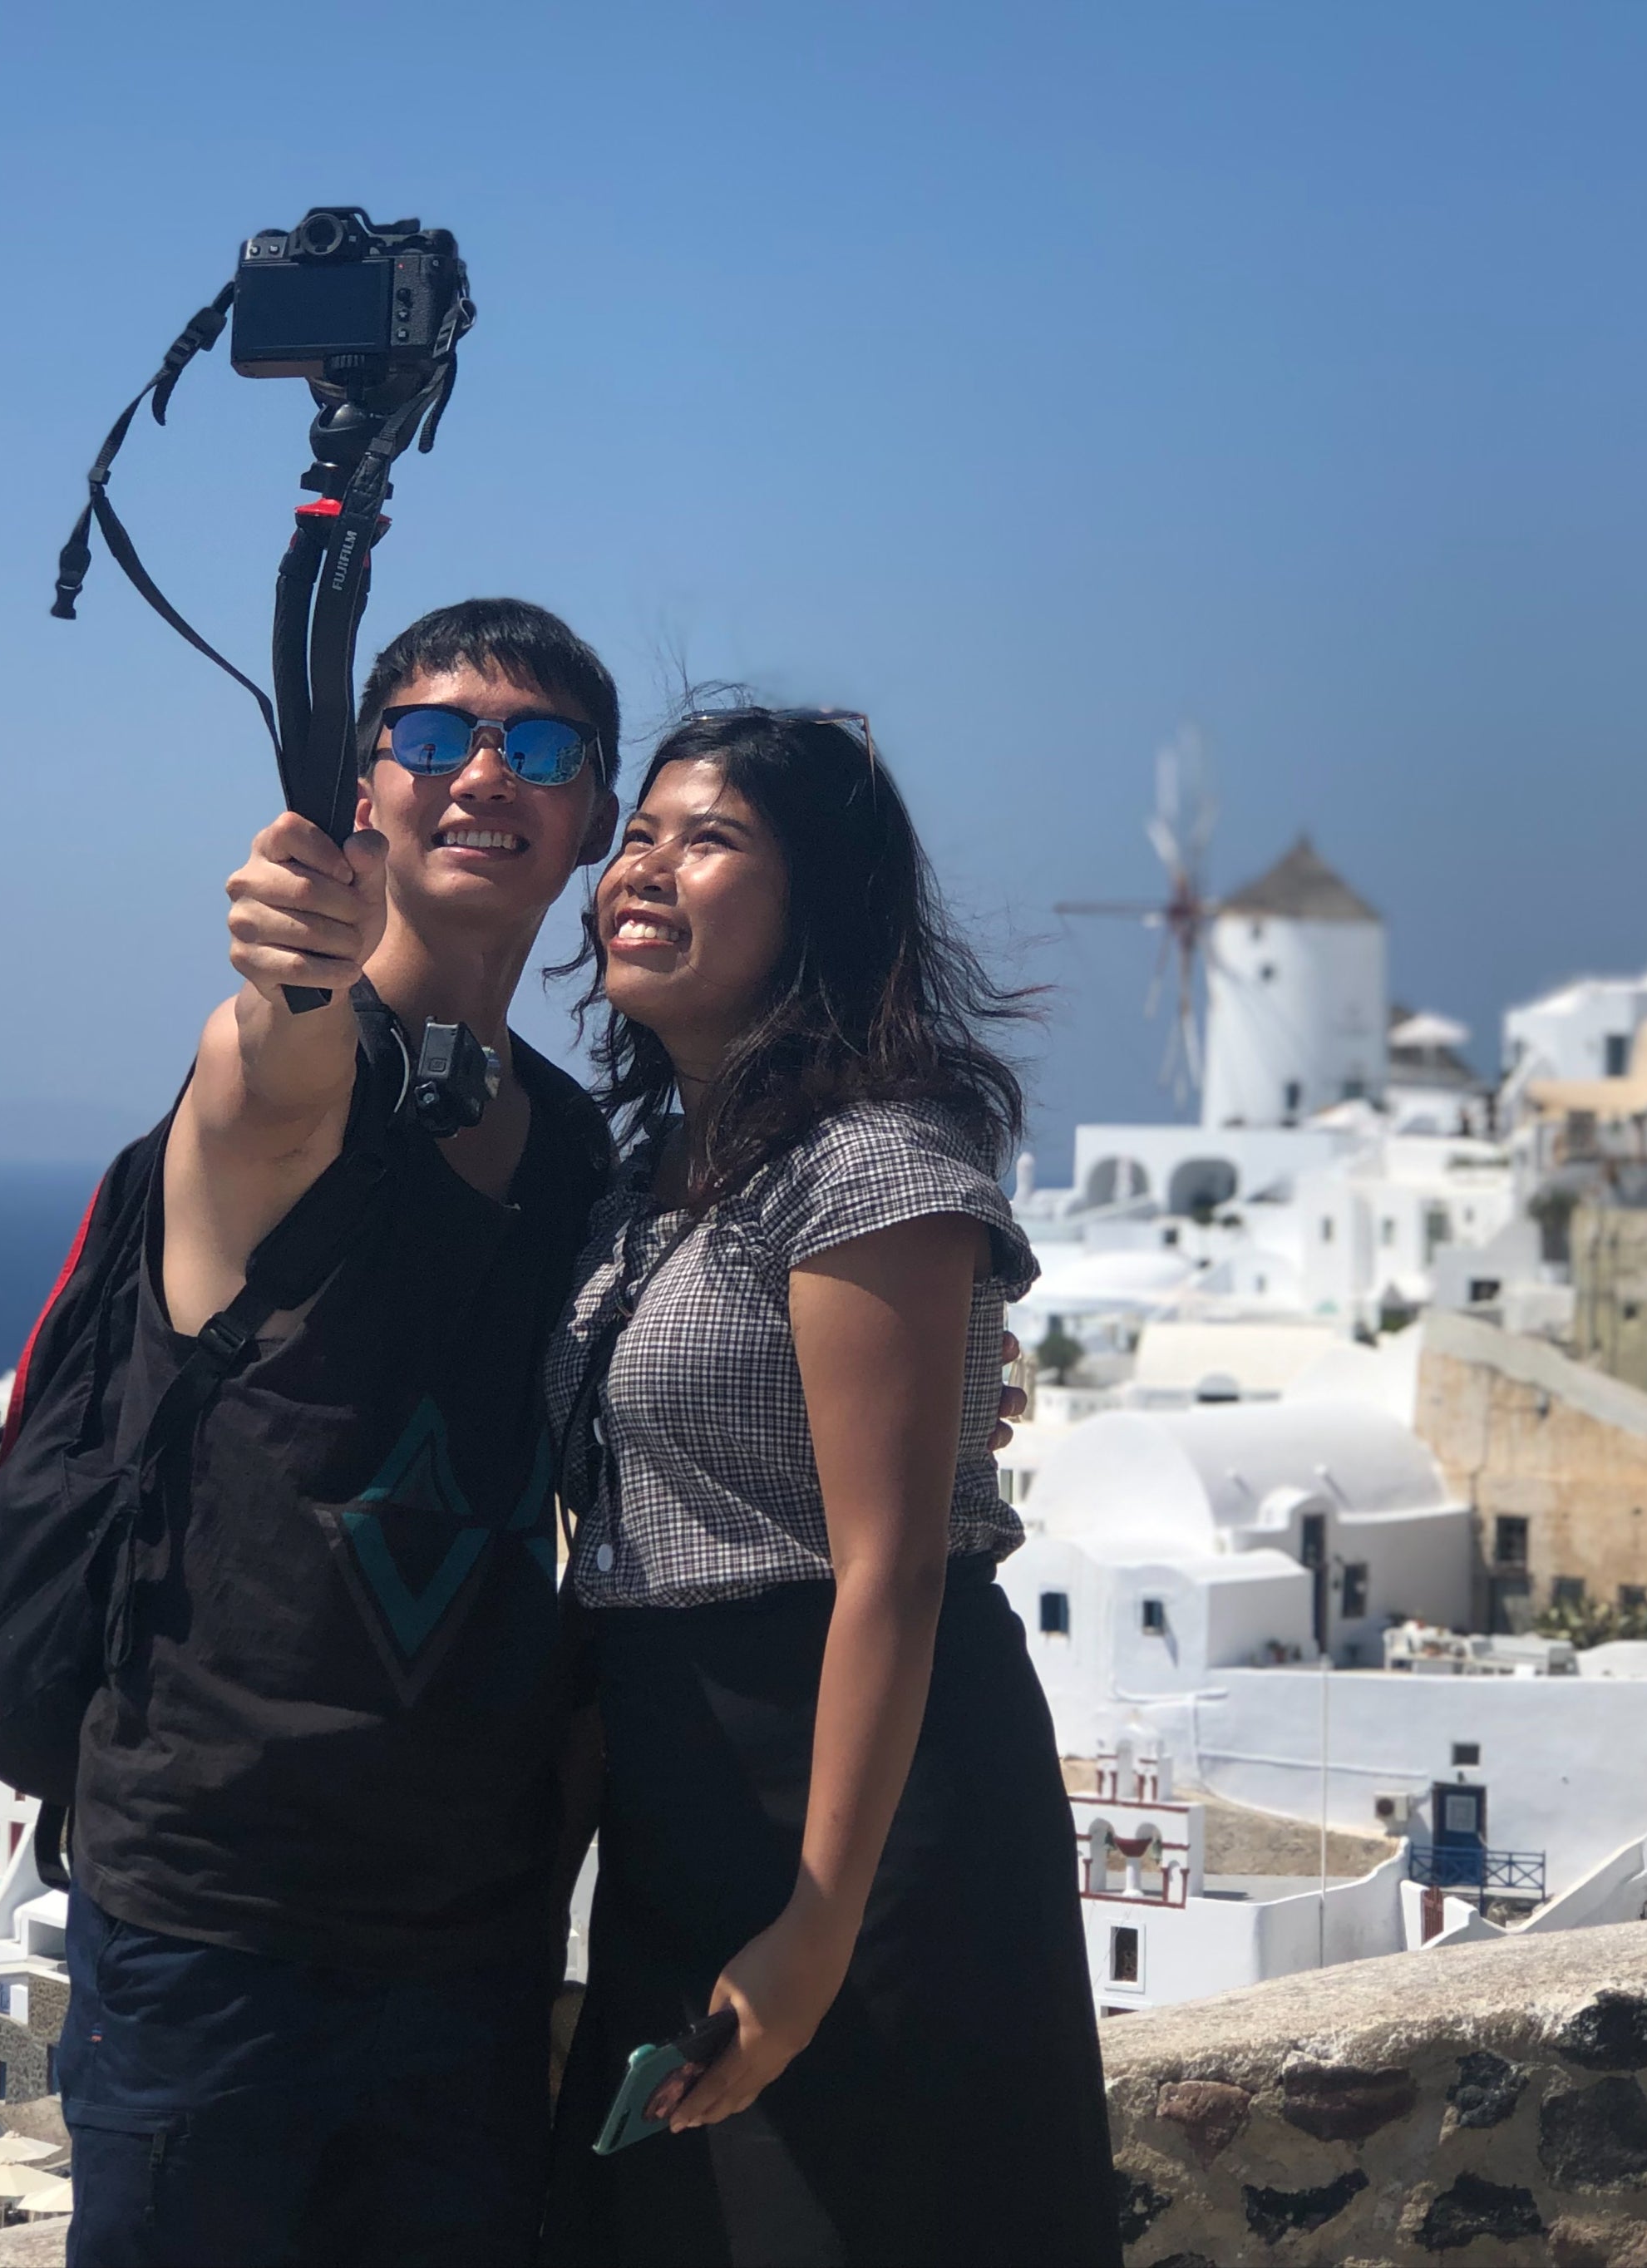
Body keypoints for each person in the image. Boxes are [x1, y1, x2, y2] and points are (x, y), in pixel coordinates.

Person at [57, 599, 624, 2266]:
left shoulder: (578, 1147)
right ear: (363, 789)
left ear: (589, 821)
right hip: (216, 1917)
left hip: (467, 1930)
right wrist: (296, 963)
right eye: (434, 735)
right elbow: (277, 1051)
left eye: (538, 747)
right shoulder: (274, 1074)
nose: (480, 774)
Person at [542, 708, 1120, 2266]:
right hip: (684, 1800)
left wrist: (814, 1926)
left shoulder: (870, 1160)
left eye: (709, 839)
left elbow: (894, 1562)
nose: (643, 870)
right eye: (637, 836)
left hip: (860, 1801)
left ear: (823, 904)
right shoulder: (646, 1177)